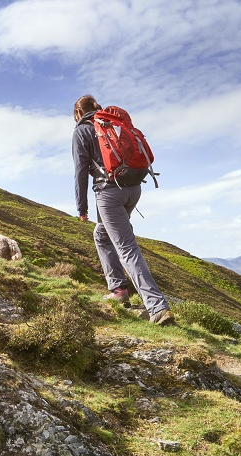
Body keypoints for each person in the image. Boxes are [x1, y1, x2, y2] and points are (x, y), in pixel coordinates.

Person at [71, 94, 175, 326]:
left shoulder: (82, 131)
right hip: (133, 188)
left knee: (126, 247)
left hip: (109, 193)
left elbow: (80, 170)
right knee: (102, 235)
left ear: (78, 113)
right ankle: (119, 291)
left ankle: (157, 308)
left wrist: (82, 207)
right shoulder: (112, 124)